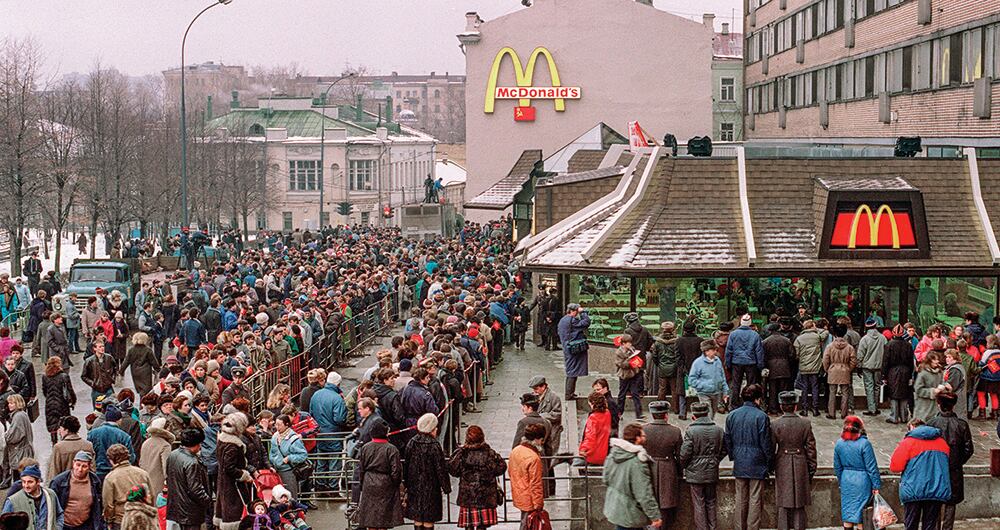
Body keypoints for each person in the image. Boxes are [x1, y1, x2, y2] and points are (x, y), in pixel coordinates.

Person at [724, 384, 773, 530]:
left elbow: (728, 439)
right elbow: (766, 444)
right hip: (757, 461)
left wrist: (733, 455)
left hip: (740, 460)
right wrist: (770, 463)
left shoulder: (732, 415)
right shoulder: (762, 417)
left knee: (740, 498)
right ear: (758, 399)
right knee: (755, 498)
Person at [889, 419, 952, 530]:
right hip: (936, 490)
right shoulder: (942, 443)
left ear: (912, 427)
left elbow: (895, 467)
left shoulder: (908, 442)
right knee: (930, 525)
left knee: (911, 525)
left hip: (913, 491)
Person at [926, 393, 974, 530]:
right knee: (951, 503)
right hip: (954, 469)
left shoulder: (931, 423)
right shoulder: (961, 425)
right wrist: (957, 462)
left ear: (939, 404)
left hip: (936, 469)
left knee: (935, 501)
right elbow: (968, 449)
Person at [770, 391, 817, 530]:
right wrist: (812, 468)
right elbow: (811, 449)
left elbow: (771, 448)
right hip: (800, 462)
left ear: (781, 406)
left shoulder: (775, 424)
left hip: (782, 461)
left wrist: (771, 466)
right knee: (799, 501)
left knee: (783, 501)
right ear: (796, 406)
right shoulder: (805, 423)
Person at [602, 423, 662, 530]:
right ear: (637, 439)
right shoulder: (637, 462)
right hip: (631, 512)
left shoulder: (613, 454)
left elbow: (605, 479)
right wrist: (655, 516)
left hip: (615, 508)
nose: (645, 438)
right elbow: (643, 493)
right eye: (643, 436)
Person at [448, 425, 506, 530]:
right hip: (485, 497)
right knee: (482, 527)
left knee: (468, 526)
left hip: (467, 497)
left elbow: (453, 470)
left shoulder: (462, 453)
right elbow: (501, 468)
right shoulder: (489, 453)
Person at [679, 401, 726, 530]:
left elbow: (684, 454)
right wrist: (715, 460)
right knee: (711, 502)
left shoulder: (691, 431)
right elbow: (725, 449)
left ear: (694, 416)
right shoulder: (718, 430)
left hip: (695, 473)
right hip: (712, 471)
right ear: (707, 414)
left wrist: (686, 466)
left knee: (699, 503)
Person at [403, 413, 451, 530]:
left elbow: (406, 464)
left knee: (418, 519)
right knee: (429, 520)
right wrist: (446, 487)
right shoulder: (434, 445)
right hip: (431, 488)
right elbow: (440, 468)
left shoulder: (412, 442)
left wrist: (406, 483)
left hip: (414, 487)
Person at [833, 416, 881, 529]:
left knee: (848, 513)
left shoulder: (839, 444)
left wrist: (841, 481)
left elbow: (837, 467)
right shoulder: (865, 444)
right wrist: (876, 485)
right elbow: (872, 467)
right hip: (862, 481)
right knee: (861, 515)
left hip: (846, 480)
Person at [356, 421, 404, 530]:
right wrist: (396, 484)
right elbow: (396, 471)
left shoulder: (365, 448)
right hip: (385, 483)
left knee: (370, 519)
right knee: (384, 519)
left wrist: (362, 484)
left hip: (369, 482)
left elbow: (361, 469)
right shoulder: (391, 449)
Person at [643, 401, 682, 528]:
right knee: (667, 505)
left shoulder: (644, 430)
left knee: (650, 500)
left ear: (652, 414)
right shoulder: (675, 431)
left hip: (649, 467)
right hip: (668, 469)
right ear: (666, 415)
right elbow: (680, 455)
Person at [166, 429, 213, 530]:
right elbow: (195, 489)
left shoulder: (173, 455)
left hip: (175, 506)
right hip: (190, 511)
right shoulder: (192, 462)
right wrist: (208, 501)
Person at [308, 371, 347, 490]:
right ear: (338, 384)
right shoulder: (337, 398)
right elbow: (339, 419)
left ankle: (320, 486)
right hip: (333, 433)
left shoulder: (316, 395)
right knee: (334, 462)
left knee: (321, 461)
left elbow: (311, 414)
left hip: (319, 433)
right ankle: (333, 487)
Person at [216, 413, 253, 530]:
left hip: (224, 483)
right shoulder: (233, 445)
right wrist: (244, 475)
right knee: (234, 517)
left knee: (225, 514)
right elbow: (229, 468)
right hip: (233, 486)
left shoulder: (222, 439)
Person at [102, 443, 151, 530]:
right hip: (142, 517)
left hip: (121, 520)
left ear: (112, 459)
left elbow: (108, 505)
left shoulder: (110, 478)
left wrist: (109, 521)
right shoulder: (143, 474)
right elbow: (151, 497)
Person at [50, 451, 103, 530]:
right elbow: (51, 505)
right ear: (73, 463)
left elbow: (98, 504)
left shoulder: (94, 481)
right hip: (64, 525)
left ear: (89, 467)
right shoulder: (59, 482)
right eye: (78, 465)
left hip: (85, 525)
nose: (80, 469)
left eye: (84, 466)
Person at [1, 464, 62, 530]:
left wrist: (57, 528)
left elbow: (59, 514)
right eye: (23, 482)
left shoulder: (51, 495)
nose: (26, 485)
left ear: (38, 482)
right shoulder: (12, 501)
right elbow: (3, 525)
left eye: (30, 482)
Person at [726, 314, 764, 408]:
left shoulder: (733, 334)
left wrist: (728, 363)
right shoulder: (755, 335)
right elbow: (759, 351)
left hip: (736, 361)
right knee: (751, 385)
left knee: (736, 385)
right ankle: (751, 404)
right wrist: (760, 365)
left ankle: (733, 405)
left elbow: (729, 350)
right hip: (751, 362)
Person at [87, 405, 135, 480]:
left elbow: (88, 453)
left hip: (97, 473)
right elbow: (131, 457)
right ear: (118, 420)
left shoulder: (92, 433)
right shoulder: (124, 436)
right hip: (117, 473)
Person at [509, 422, 545, 520]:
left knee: (524, 522)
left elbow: (510, 472)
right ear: (537, 439)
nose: (541, 443)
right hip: (530, 499)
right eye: (541, 440)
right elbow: (535, 484)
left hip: (518, 494)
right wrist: (538, 505)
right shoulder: (534, 458)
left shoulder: (515, 451)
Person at [793, 320, 828, 417]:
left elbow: (796, 353)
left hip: (803, 366)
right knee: (815, 387)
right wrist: (818, 330)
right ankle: (815, 408)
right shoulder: (817, 337)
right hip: (815, 366)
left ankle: (804, 408)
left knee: (804, 387)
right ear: (812, 326)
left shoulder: (799, 339)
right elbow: (825, 333)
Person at [268, 414, 308, 499]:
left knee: (290, 496)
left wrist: (290, 458)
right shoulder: (275, 436)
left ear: (286, 425)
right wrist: (271, 463)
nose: (277, 427)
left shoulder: (294, 439)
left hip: (288, 471)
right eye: (276, 424)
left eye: (279, 425)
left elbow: (303, 455)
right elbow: (272, 452)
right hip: (275, 471)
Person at [687, 340, 729, 420]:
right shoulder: (698, 363)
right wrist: (703, 386)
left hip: (716, 392)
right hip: (704, 393)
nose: (715, 352)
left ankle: (709, 426)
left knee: (713, 413)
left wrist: (725, 390)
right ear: (706, 351)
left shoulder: (718, 361)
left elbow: (722, 376)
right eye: (713, 350)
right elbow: (691, 379)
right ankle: (708, 428)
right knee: (708, 413)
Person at [823, 323, 857, 420]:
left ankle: (831, 413)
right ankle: (844, 413)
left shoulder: (830, 346)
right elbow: (853, 360)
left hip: (833, 369)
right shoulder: (849, 347)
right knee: (845, 393)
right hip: (845, 370)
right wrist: (848, 369)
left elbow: (825, 360)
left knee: (832, 392)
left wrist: (828, 369)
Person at [557, 303, 590, 401]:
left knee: (572, 371)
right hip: (573, 349)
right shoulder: (572, 320)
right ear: (573, 311)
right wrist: (583, 312)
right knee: (572, 372)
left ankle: (570, 393)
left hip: (567, 347)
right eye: (576, 311)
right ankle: (569, 394)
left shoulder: (563, 320)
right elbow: (586, 323)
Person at [884, 324, 915, 425]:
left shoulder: (889, 345)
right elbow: (911, 362)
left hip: (893, 371)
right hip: (905, 371)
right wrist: (910, 374)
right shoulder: (908, 345)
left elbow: (885, 361)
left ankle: (894, 416)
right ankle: (904, 416)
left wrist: (884, 375)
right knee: (904, 394)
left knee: (893, 394)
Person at [857, 317, 888, 416]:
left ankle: (871, 408)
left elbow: (860, 354)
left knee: (869, 387)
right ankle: (876, 406)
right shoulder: (883, 338)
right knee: (877, 387)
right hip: (879, 366)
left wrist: (859, 365)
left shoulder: (864, 339)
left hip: (867, 366)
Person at [41, 356, 75, 444]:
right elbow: (70, 390)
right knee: (64, 423)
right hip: (62, 403)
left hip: (50, 404)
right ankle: (65, 441)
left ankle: (54, 442)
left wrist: (49, 398)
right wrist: (73, 401)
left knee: (53, 424)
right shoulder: (64, 376)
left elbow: (44, 391)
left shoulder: (45, 376)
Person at [761, 327, 794, 415]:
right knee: (783, 389)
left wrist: (765, 366)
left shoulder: (765, 341)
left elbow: (763, 356)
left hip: (771, 367)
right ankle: (782, 407)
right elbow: (792, 355)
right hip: (784, 367)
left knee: (772, 389)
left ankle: (773, 408)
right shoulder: (787, 340)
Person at [138, 417, 174, 498]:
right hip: (158, 482)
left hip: (145, 479)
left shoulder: (146, 443)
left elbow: (141, 462)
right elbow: (166, 467)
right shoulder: (165, 445)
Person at [614, 334, 645, 419]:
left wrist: (636, 361)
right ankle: (619, 412)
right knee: (622, 395)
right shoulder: (619, 352)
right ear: (623, 343)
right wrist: (630, 361)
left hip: (633, 374)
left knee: (635, 394)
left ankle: (639, 414)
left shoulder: (632, 349)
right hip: (624, 375)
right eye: (628, 343)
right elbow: (620, 364)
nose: (630, 344)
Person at [4, 394, 33, 482]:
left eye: (12, 403)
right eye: (9, 403)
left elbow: (13, 437)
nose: (9, 405)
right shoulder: (22, 414)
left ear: (18, 403)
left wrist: (6, 435)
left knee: (19, 481)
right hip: (24, 452)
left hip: (19, 454)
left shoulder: (18, 417)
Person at [577, 392, 611, 466]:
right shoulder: (607, 413)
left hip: (592, 455)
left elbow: (590, 437)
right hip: (603, 452)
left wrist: (583, 449)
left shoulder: (593, 418)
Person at [120, 333, 158, 399]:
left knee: (140, 390)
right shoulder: (148, 350)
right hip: (145, 373)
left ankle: (142, 403)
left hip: (135, 372)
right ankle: (143, 405)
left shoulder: (131, 350)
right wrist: (158, 370)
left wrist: (121, 371)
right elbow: (154, 362)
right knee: (146, 391)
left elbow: (126, 362)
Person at [82, 340, 116, 407]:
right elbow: (83, 376)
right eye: (100, 347)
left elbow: (115, 369)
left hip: (109, 389)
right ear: (94, 348)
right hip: (97, 390)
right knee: (97, 410)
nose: (102, 348)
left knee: (112, 409)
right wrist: (93, 383)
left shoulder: (109, 358)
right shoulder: (89, 361)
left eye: (103, 346)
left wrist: (112, 379)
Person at [914, 351, 945, 423]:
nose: (937, 361)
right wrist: (932, 391)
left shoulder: (939, 372)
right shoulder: (923, 373)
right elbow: (918, 389)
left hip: (936, 405)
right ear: (929, 361)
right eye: (935, 359)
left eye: (938, 359)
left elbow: (942, 382)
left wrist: (944, 386)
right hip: (924, 406)